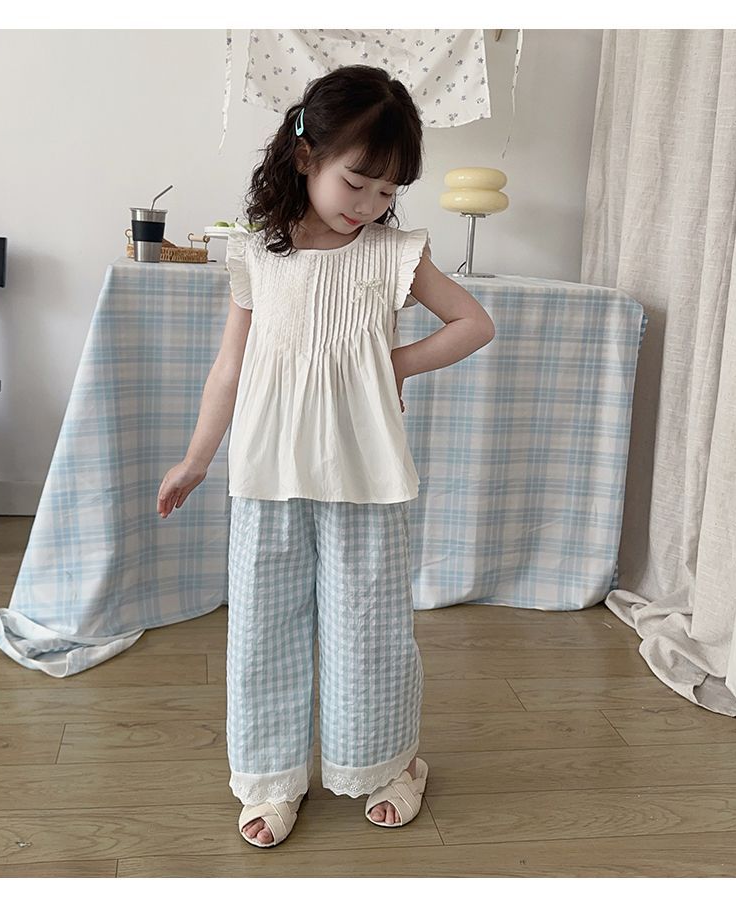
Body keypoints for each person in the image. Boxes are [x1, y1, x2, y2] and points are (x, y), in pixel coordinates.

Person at [156, 64, 496, 848]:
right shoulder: (257, 253)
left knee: (366, 629)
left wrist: (393, 364)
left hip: (364, 476)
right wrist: (197, 459)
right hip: (267, 472)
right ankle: (271, 777)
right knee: (263, 629)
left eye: (387, 190)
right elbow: (230, 367)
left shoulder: (392, 252)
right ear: (306, 154)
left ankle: (389, 763)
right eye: (357, 182)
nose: (370, 204)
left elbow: (473, 324)